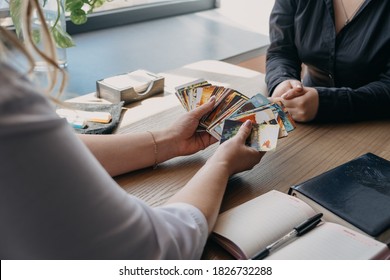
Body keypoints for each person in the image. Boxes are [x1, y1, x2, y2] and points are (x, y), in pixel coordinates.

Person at [0, 0, 263, 259]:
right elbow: (155, 252)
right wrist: (223, 162)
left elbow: (46, 157)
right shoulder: (8, 96)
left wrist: (168, 140)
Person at [266, 0, 390, 122]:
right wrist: (282, 81)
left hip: (373, 123)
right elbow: (281, 51)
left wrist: (326, 103)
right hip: (304, 118)